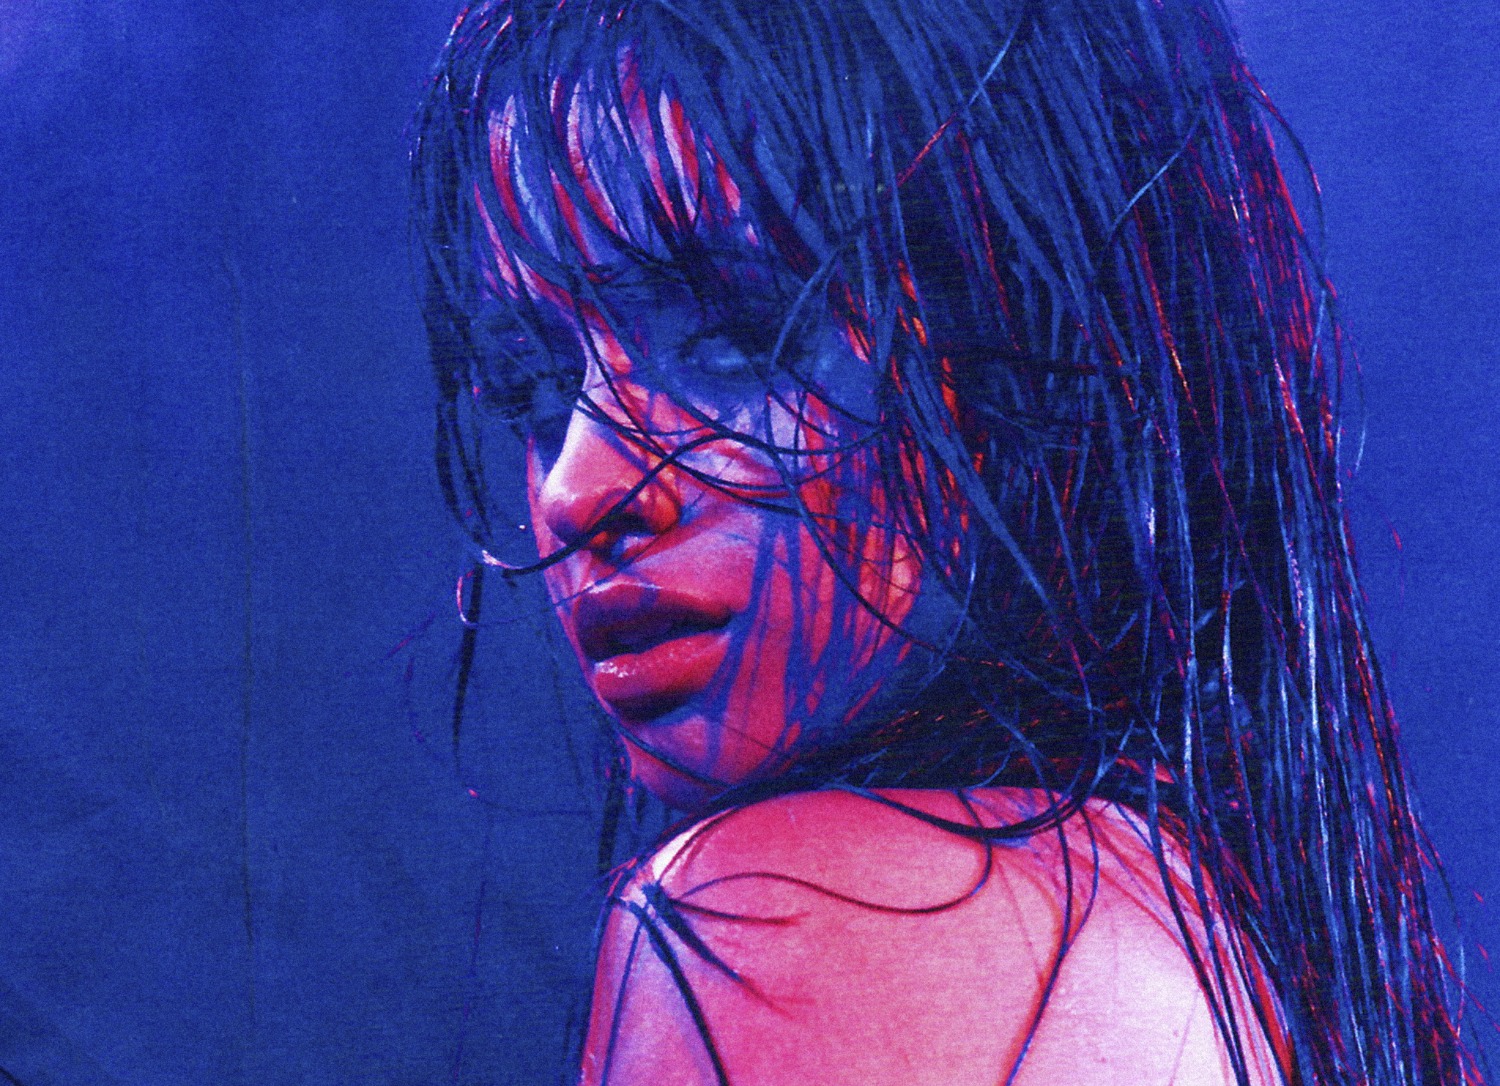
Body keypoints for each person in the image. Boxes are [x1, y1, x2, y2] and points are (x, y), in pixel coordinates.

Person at [411, 0, 1482, 1082]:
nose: (576, 489)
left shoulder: (780, 916)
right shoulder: (1224, 930)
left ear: (1040, 329)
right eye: (535, 387)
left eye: (739, 337)